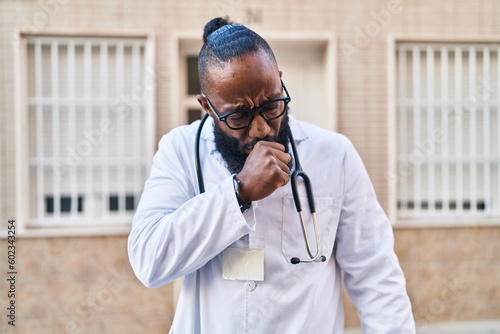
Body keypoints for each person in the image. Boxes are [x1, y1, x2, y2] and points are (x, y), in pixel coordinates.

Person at [128, 16, 415, 333]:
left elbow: (376, 277)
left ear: (280, 80)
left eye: (271, 104)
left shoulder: (335, 155)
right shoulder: (179, 150)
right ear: (207, 107)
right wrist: (238, 194)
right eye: (239, 115)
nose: (262, 128)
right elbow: (149, 261)